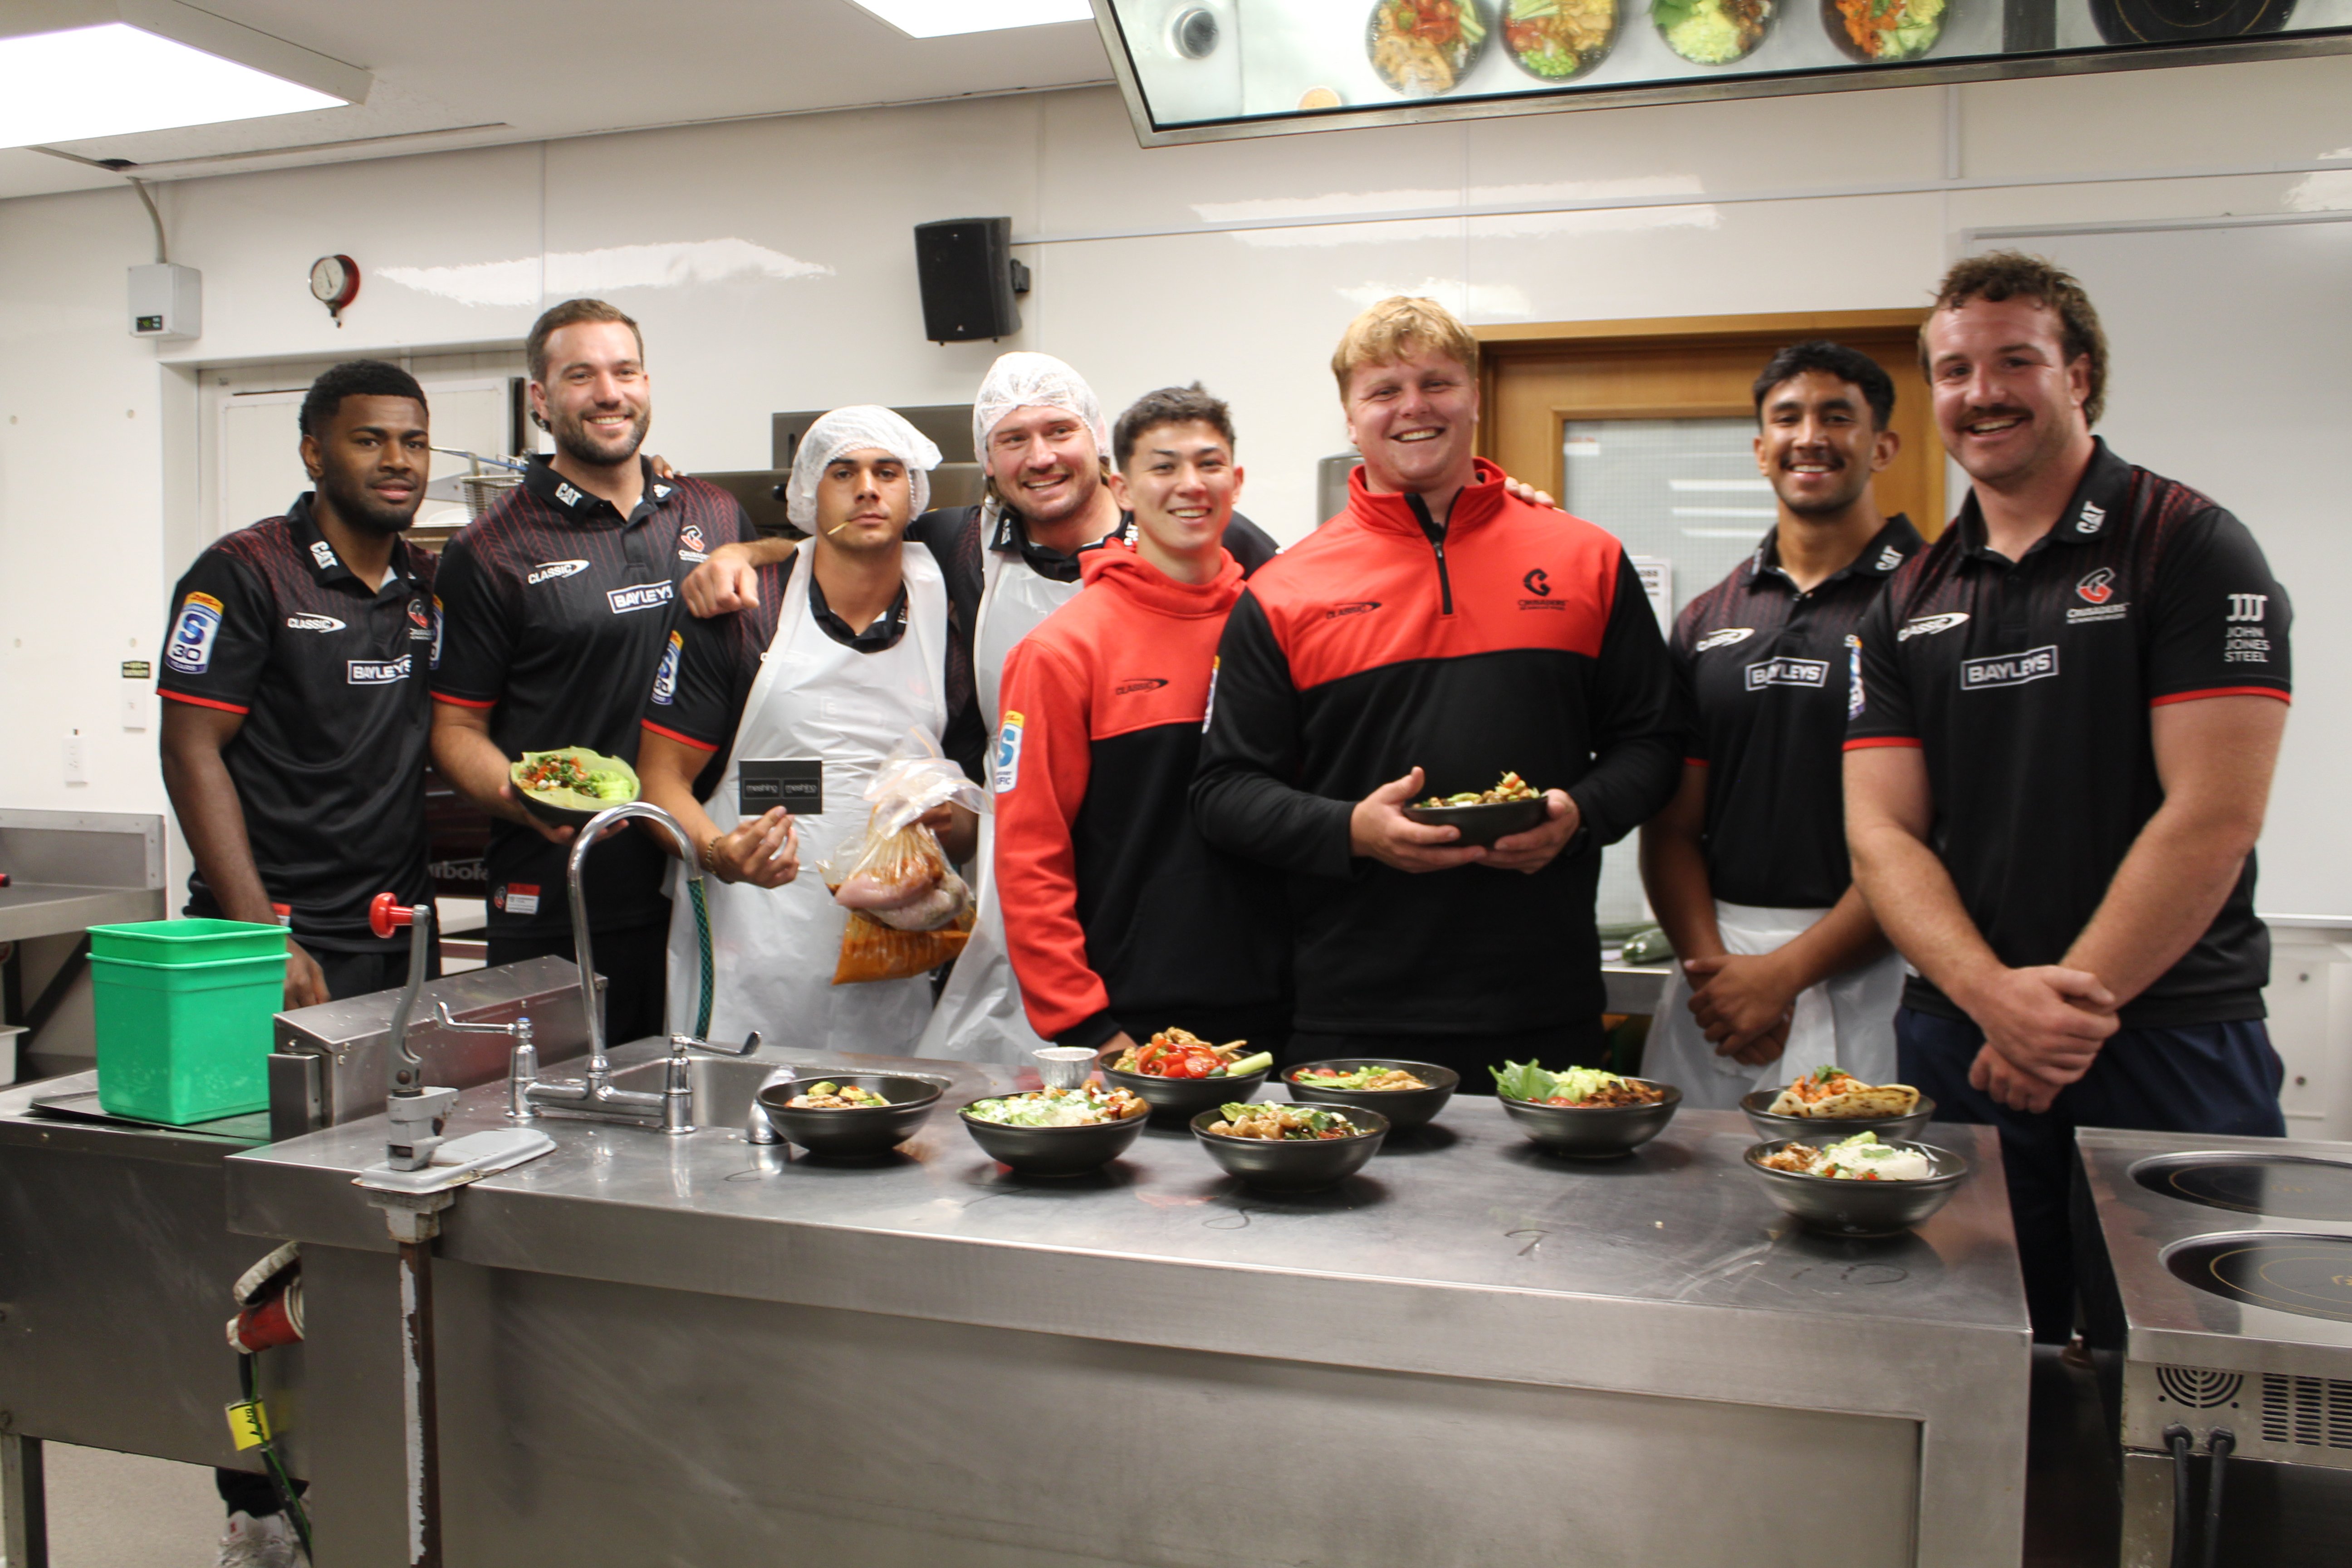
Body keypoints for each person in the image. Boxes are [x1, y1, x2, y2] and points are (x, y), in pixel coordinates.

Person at [1845, 251, 2292, 1342]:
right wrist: (1994, 1000)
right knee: (1980, 1359)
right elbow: (1882, 830)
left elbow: (2214, 815)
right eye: (1955, 371)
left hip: (2165, 1034)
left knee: (2183, 1372)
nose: (1982, 392)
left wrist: (2056, 1018)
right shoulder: (1908, 596)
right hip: (1963, 1040)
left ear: (2079, 374)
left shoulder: (2189, 545)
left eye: (2016, 361)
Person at [685, 353, 1281, 1064]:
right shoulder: (957, 545)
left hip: (1170, 847)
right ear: (988, 463)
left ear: (1100, 448)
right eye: (1013, 439)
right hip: (1022, 852)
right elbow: (848, 540)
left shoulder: (1212, 538)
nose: (1041, 457)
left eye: (1059, 431)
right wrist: (744, 553)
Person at [1191, 297, 1685, 1088]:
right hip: (1351, 1017)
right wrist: (1353, 830)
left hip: (1545, 1006)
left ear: (1475, 398)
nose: (1413, 407)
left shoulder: (1585, 558)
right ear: (1351, 417)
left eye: (1437, 383)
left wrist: (1580, 816)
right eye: (1384, 390)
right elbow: (1224, 793)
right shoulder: (1283, 591)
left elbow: (1654, 742)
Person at [158, 358, 437, 1567]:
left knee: (361, 1234)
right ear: (315, 452)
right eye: (370, 440)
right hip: (268, 956)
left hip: (383, 958)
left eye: (413, 441)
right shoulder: (242, 573)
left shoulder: (422, 588)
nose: (397, 461)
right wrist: (256, 931)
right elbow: (190, 748)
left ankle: (364, 1480)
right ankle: (255, 1508)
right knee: (259, 1250)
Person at [429, 299, 750, 1047]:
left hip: (707, 881)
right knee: (564, 1104)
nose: (609, 393)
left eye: (625, 371)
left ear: (647, 383)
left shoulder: (714, 513)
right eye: (582, 376)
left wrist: (746, 552)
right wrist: (526, 799)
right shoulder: (489, 550)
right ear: (541, 399)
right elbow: (454, 730)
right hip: (565, 891)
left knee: (707, 1095)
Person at [635, 407, 981, 1050]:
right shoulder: (742, 613)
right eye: (842, 473)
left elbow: (968, 825)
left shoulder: (947, 623)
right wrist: (719, 853)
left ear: (914, 495)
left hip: (890, 966)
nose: (867, 489)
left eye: (888, 472)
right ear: (807, 496)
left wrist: (945, 820)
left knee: (881, 1105)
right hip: (748, 955)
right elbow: (659, 780)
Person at [1638, 341, 1922, 1109]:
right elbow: (1672, 829)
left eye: (1838, 417)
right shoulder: (1709, 618)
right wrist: (1717, 977)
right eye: (1788, 418)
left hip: (1881, 968)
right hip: (1718, 982)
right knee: (1697, 1184)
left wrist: (1785, 976)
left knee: (1865, 1174)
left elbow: (1936, 838)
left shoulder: (1934, 602)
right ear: (1762, 450)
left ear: (1882, 445)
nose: (1811, 437)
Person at [993, 385, 1291, 1059]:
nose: (1191, 485)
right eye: (1164, 466)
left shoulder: (1280, 626)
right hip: (1139, 1027)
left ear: (1237, 481)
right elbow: (1029, 856)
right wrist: (1085, 1027)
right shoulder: (1060, 652)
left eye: (1209, 464)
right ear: (1122, 489)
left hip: (1293, 1010)